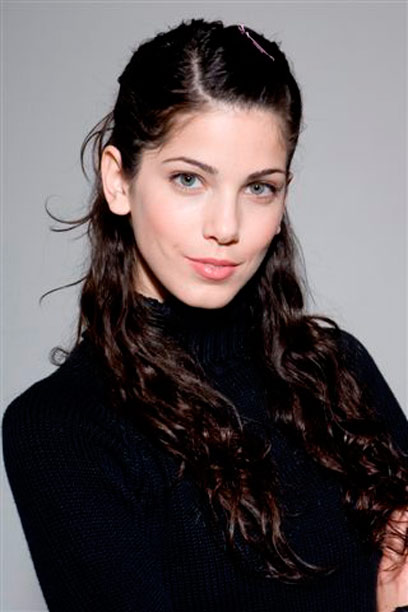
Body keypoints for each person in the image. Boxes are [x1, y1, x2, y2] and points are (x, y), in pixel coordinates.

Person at [2, 17, 408, 612]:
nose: (226, 227)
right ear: (118, 181)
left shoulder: (336, 370)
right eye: (189, 179)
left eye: (259, 187)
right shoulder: (63, 428)